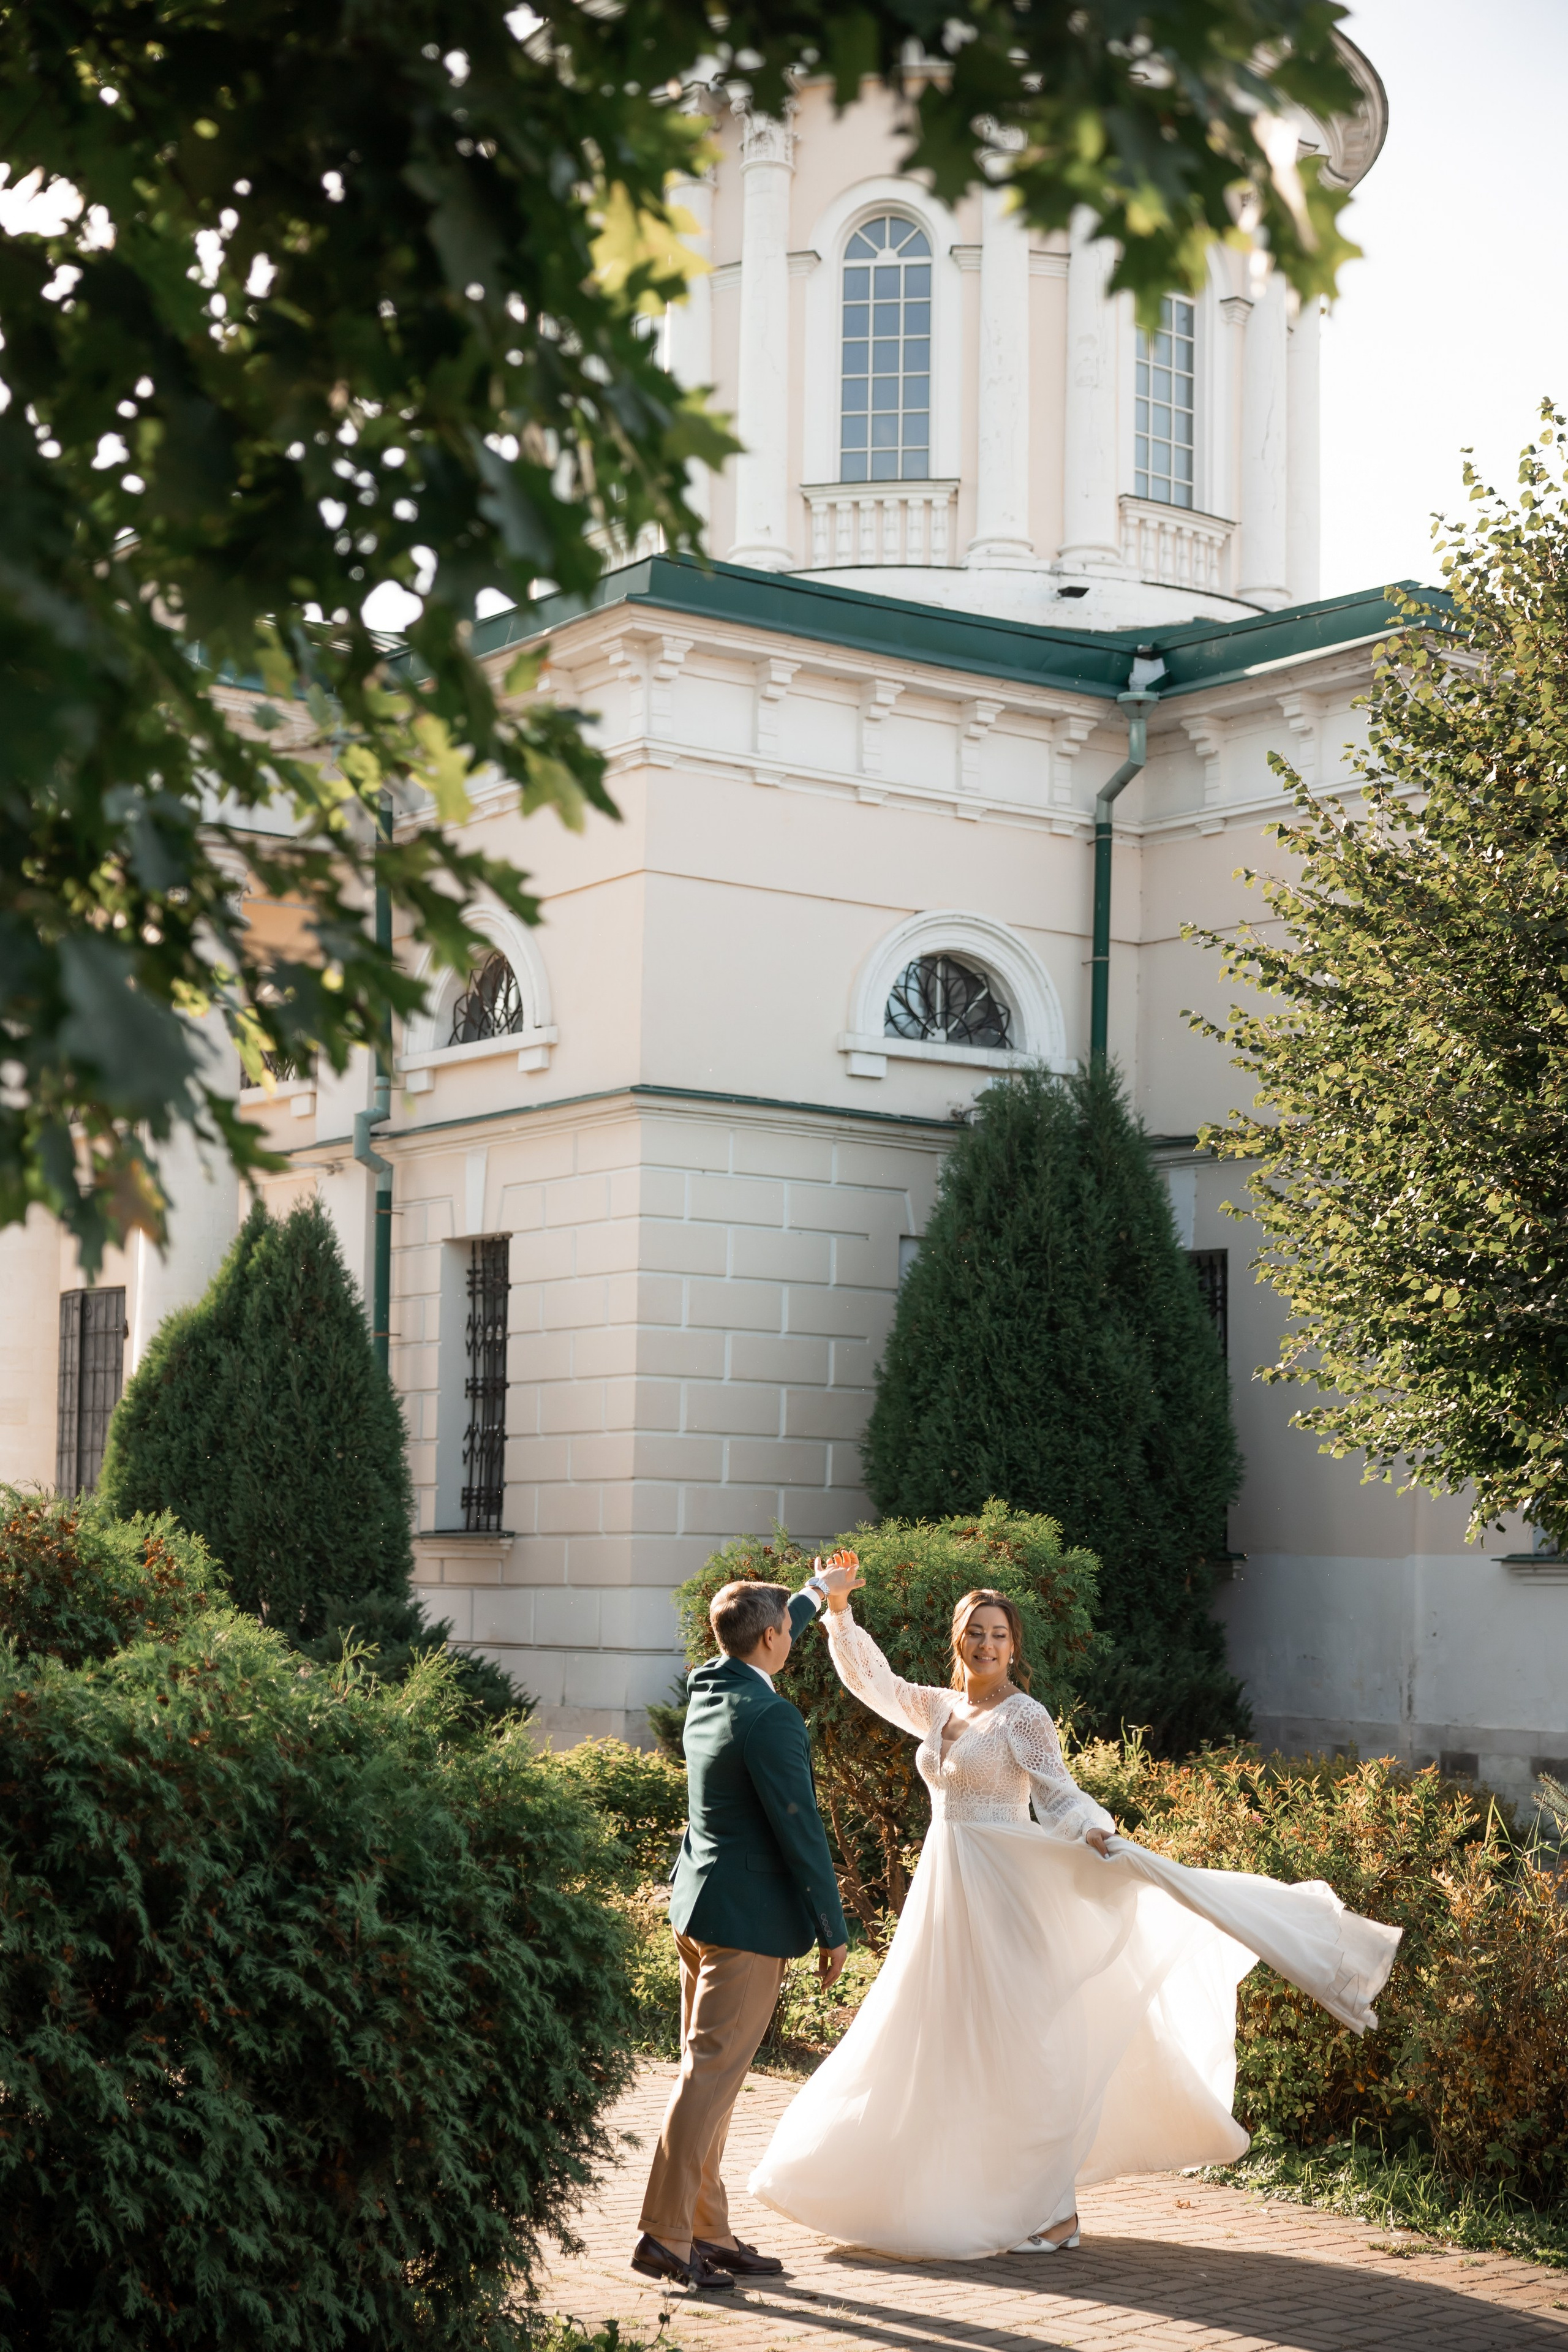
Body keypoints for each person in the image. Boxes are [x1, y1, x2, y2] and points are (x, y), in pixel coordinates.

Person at [749, 1555, 1402, 2262]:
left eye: (999, 1634)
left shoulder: (1025, 1716)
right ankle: (953, 2189)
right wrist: (839, 1611)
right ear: (958, 1640)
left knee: (1021, 2046)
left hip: (1007, 1894)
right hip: (947, 1894)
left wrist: (1092, 1828)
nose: (987, 1646)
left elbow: (1057, 1794)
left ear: (1013, 1646)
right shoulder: (938, 1707)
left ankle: (1054, 2211)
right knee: (940, 2041)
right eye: (975, 1633)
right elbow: (873, 1683)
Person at [631, 1573, 849, 2294]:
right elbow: (802, 1831)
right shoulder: (770, 1718)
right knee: (709, 2078)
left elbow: (762, 1622)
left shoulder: (708, 1686)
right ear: (769, 1639)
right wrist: (831, 1926)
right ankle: (666, 2235)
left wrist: (820, 1592)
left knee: (712, 2079)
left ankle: (707, 2230)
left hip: (699, 1908)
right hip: (748, 1924)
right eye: (788, 1628)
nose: (792, 1635)